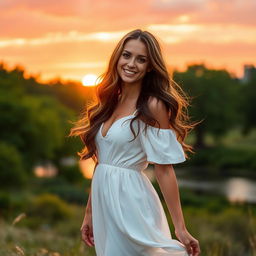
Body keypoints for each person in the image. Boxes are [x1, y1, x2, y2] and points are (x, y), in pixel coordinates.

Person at [69, 29, 201, 256]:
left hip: (130, 201)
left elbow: (164, 170)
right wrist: (89, 213)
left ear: (150, 66)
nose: (131, 64)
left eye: (141, 59)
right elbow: (102, 163)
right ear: (117, 58)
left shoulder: (153, 105)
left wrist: (180, 228)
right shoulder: (110, 100)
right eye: (127, 55)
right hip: (104, 203)